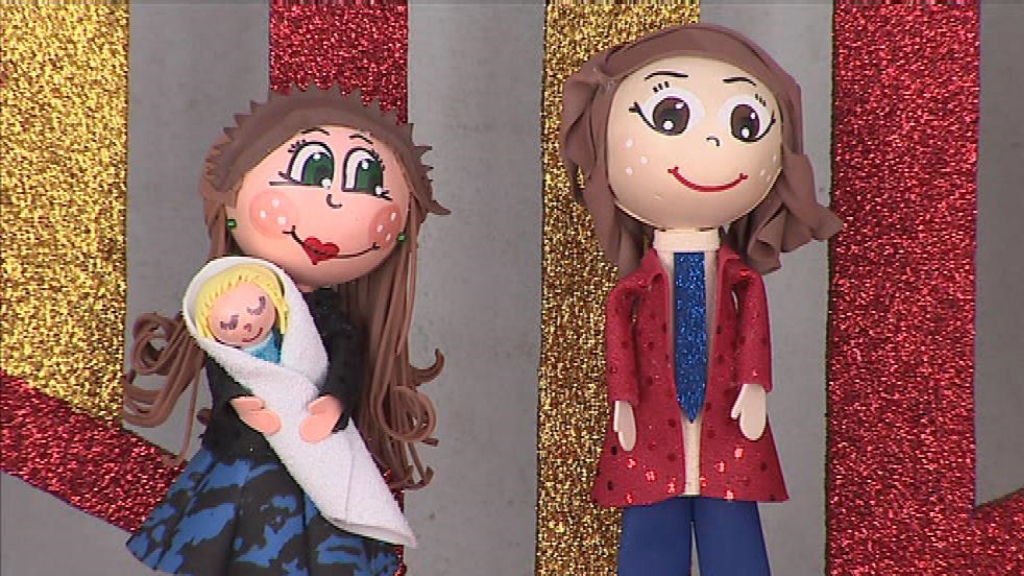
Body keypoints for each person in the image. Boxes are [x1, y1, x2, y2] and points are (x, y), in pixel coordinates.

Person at [123, 85, 447, 576]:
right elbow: (222, 361)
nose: (335, 202)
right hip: (244, 458)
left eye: (366, 181)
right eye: (313, 172)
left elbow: (346, 362)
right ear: (230, 201)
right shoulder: (228, 298)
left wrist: (335, 400)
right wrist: (237, 399)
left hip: (318, 465)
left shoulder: (334, 321)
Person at [560, 23, 842, 576]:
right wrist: (622, 399)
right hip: (651, 419)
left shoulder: (741, 281)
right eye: (670, 118)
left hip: (726, 417)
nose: (712, 145)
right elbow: (620, 343)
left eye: (744, 123)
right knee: (651, 524)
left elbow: (753, 332)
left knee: (732, 525)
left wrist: (756, 385)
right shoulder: (633, 291)